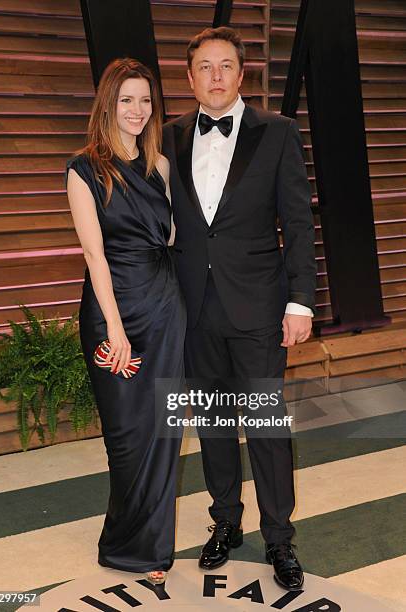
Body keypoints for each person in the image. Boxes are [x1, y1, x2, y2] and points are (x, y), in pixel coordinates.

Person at [163, 27, 316, 591]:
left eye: (226, 65)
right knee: (213, 426)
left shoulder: (276, 133)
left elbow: (298, 223)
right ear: (190, 76)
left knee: (267, 428)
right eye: (205, 67)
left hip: (260, 307)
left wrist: (300, 300)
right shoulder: (170, 137)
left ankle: (280, 539)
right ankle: (225, 523)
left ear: (242, 73)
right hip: (192, 309)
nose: (217, 77)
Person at [66, 58, 186, 585]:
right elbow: (95, 257)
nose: (137, 111)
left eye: (145, 100)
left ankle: (147, 548)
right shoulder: (83, 170)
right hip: (113, 310)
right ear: (108, 105)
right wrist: (114, 327)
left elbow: (173, 237)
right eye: (126, 100)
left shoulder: (159, 166)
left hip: (164, 306)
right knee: (127, 433)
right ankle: (123, 542)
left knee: (163, 429)